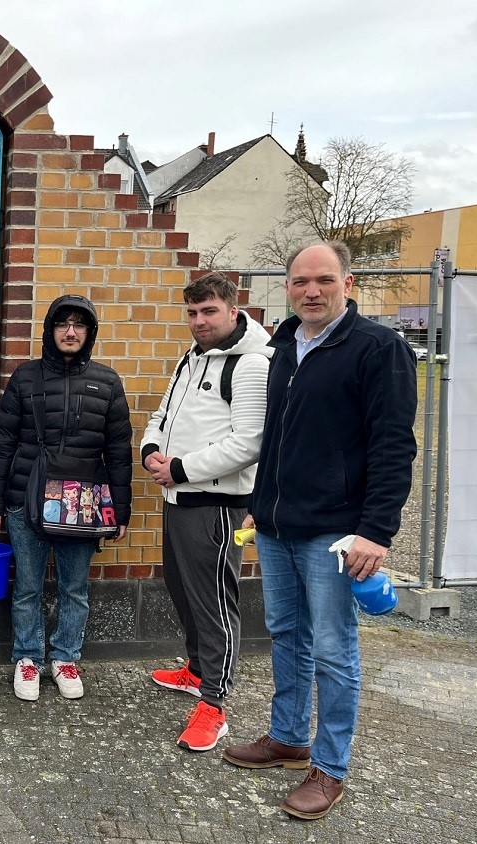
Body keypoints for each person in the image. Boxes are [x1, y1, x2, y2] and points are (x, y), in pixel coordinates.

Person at [221, 242, 417, 820]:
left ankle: (329, 768)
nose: (312, 290)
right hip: (280, 526)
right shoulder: (284, 345)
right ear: (287, 287)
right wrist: (261, 503)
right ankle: (287, 737)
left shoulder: (379, 349)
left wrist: (376, 532)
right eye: (301, 281)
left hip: (335, 534)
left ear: (347, 283)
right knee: (286, 633)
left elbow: (393, 447)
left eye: (323, 280)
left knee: (333, 649)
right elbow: (276, 436)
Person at [141, 272, 272, 751]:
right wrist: (152, 450)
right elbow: (162, 416)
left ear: (233, 312)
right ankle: (196, 671)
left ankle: (215, 704)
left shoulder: (252, 366)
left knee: (215, 602)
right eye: (192, 313)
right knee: (181, 588)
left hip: (217, 506)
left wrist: (181, 468)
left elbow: (249, 444)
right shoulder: (191, 358)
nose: (199, 321)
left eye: (209, 311)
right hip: (179, 497)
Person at [0, 294, 132, 701]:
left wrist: (120, 510)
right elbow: (3, 444)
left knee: (74, 589)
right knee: (28, 586)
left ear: (90, 332)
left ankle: (66, 656)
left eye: (78, 325)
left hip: (81, 506)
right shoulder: (25, 378)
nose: (70, 332)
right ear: (49, 331)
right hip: (24, 500)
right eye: (62, 324)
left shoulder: (107, 382)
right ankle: (27, 658)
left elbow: (118, 452)